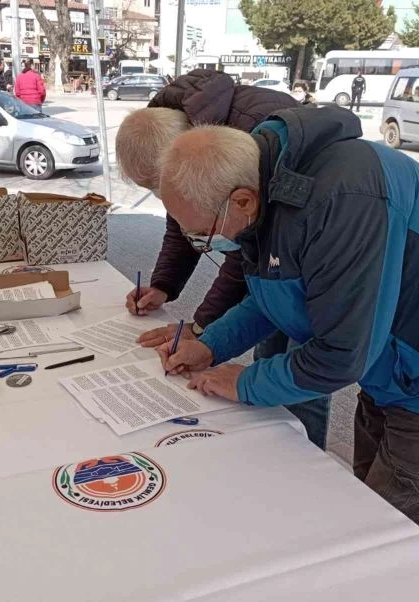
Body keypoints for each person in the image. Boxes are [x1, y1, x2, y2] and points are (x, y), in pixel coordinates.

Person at [155, 106, 419, 548]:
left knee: (396, 541)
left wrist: (246, 381)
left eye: (202, 234)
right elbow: (276, 294)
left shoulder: (341, 202)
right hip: (395, 361)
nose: (203, 243)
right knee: (366, 507)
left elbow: (339, 357)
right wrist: (212, 345)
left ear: (242, 201)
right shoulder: (265, 185)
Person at [115, 69, 331, 451]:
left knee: (303, 372)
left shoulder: (252, 137)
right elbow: (187, 225)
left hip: (315, 268)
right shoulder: (178, 133)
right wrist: (164, 285)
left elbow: (247, 254)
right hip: (285, 268)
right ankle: (278, 445)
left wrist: (203, 327)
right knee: (272, 345)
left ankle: (305, 458)